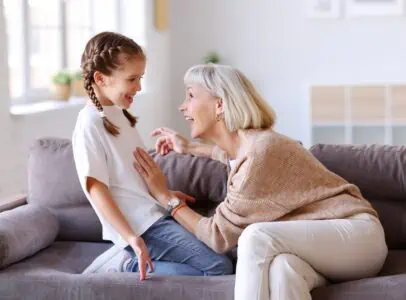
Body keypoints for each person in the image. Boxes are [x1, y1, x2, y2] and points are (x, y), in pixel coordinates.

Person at [133, 64, 388, 299]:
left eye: (191, 95)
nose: (183, 106)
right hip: (327, 249)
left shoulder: (260, 153)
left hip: (357, 238)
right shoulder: (252, 148)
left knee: (255, 236)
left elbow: (217, 236)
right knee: (282, 270)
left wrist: (166, 198)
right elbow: (230, 156)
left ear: (220, 104)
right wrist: (190, 147)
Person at [71, 32, 233, 281]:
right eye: (132, 79)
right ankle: (126, 264)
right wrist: (130, 237)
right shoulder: (89, 124)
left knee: (230, 256)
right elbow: (97, 189)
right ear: (101, 79)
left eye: (141, 78)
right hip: (142, 227)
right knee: (219, 267)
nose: (139, 87)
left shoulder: (119, 116)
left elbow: (127, 181)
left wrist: (162, 199)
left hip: (154, 217)